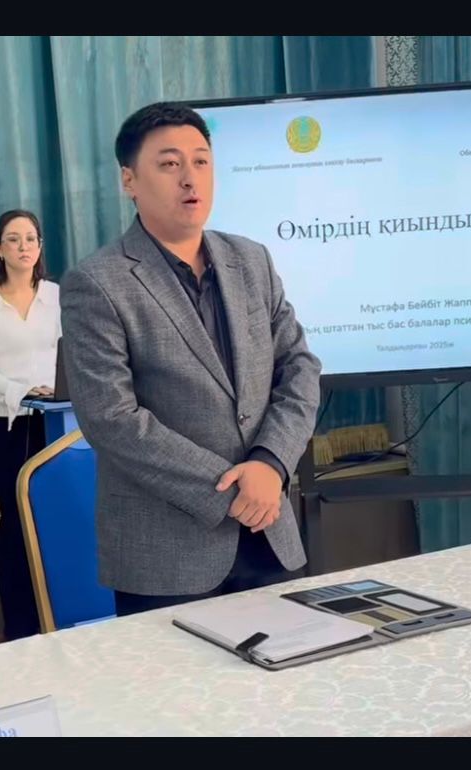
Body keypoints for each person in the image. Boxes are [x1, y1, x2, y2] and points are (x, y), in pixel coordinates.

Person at [60, 102, 322, 616]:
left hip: (270, 533)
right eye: (169, 164)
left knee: (290, 667)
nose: (190, 178)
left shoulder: (251, 260)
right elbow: (112, 419)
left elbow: (299, 368)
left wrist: (270, 464)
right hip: (167, 555)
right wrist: (233, 490)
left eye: (201, 161)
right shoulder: (96, 283)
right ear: (129, 180)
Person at [0, 209, 61, 639]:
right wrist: (22, 391)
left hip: (57, 421)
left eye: (31, 238)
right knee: (16, 520)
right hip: (8, 422)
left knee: (55, 516)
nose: (24, 246)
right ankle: (18, 628)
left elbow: (71, 353)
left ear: (40, 247)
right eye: (14, 239)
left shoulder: (56, 295)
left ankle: (57, 617)